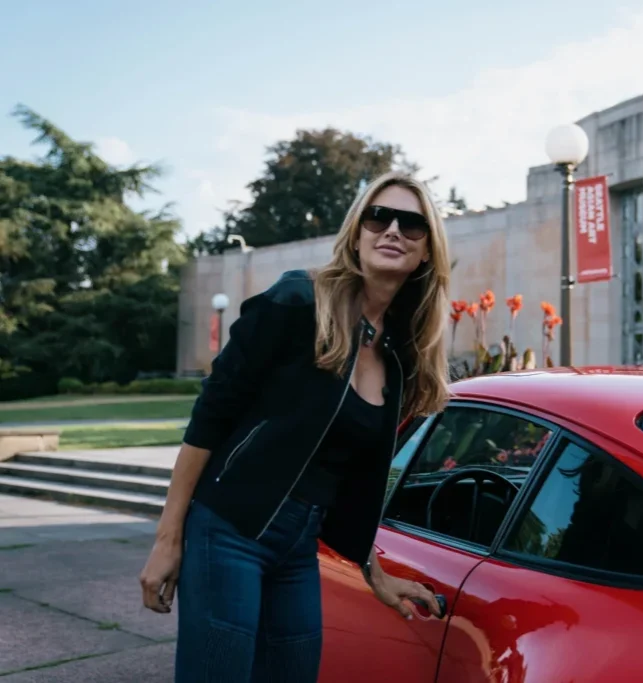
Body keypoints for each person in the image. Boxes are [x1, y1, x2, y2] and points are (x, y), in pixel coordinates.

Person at [139, 171, 451, 682]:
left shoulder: (397, 358)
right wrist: (169, 538)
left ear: (426, 253)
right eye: (379, 217)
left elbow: (347, 480)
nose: (393, 230)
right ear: (357, 233)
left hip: (298, 549)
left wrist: (375, 573)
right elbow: (211, 414)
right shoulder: (299, 301)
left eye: (412, 226)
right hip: (229, 529)